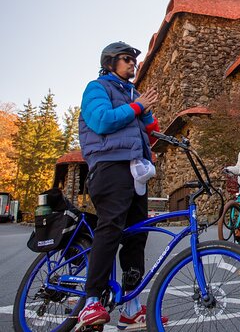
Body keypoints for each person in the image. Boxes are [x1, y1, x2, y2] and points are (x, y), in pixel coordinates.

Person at [76, 41, 166, 331]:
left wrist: (149, 118)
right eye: (126, 59)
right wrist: (137, 106)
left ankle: (130, 306)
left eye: (134, 61)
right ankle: (91, 302)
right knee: (111, 227)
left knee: (137, 236)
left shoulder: (132, 94)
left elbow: (146, 131)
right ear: (110, 63)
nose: (132, 64)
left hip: (136, 171)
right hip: (109, 166)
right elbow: (101, 121)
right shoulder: (97, 88)